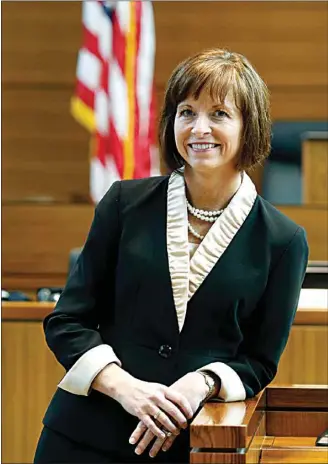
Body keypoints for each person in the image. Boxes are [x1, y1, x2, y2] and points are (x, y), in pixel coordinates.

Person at [34, 48, 308, 463]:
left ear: (248, 126)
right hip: (85, 436)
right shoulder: (124, 203)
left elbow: (259, 361)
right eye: (187, 112)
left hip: (191, 444)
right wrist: (125, 388)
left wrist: (201, 383)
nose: (200, 128)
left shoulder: (284, 241)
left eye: (219, 114)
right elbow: (67, 320)